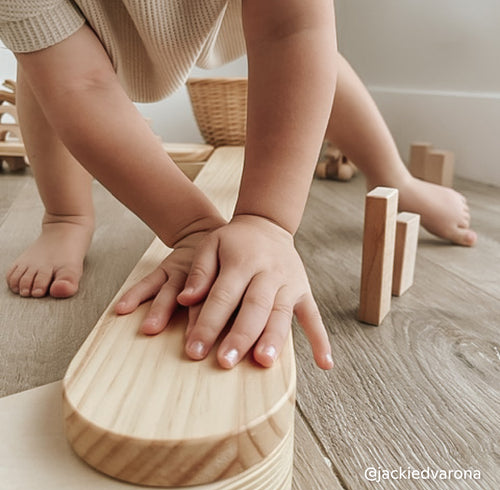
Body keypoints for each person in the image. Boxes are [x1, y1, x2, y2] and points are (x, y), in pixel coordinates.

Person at [1, 1, 476, 371]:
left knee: (314, 52)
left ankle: (395, 176)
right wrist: (192, 228)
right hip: (73, 29)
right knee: (42, 73)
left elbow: (293, 30)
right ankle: (65, 216)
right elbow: (80, 85)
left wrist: (265, 221)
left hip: (227, 12)